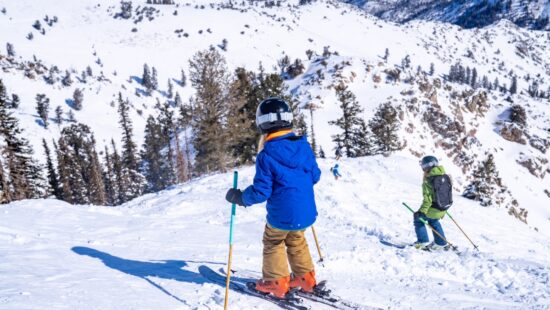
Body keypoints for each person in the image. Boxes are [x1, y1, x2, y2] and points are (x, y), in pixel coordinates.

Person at [225, 97, 321, 299]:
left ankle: (276, 283)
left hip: (282, 215)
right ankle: (306, 278)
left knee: (274, 242)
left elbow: (261, 191)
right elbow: (315, 176)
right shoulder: (303, 146)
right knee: (297, 240)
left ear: (263, 123)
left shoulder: (267, 154)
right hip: (305, 212)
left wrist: (241, 198)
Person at [413, 156, 452, 250]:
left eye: (423, 166)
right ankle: (441, 243)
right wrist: (444, 207)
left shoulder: (428, 180)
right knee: (434, 221)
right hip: (443, 207)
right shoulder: (444, 176)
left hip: (434, 209)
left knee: (418, 220)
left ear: (428, 166)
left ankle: (422, 242)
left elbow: (428, 200)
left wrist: (421, 212)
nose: (422, 168)